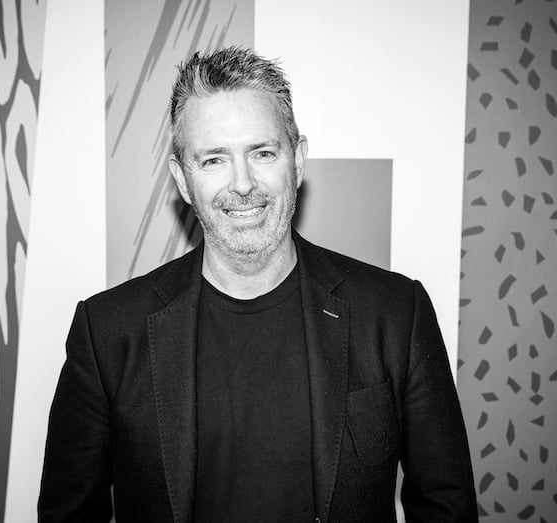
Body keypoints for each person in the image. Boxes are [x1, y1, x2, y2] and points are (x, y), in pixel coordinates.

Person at [39, 46, 477, 522]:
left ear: (298, 160)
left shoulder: (395, 314)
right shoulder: (107, 332)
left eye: (263, 153)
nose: (243, 184)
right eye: (213, 160)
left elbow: (447, 507)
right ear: (182, 180)